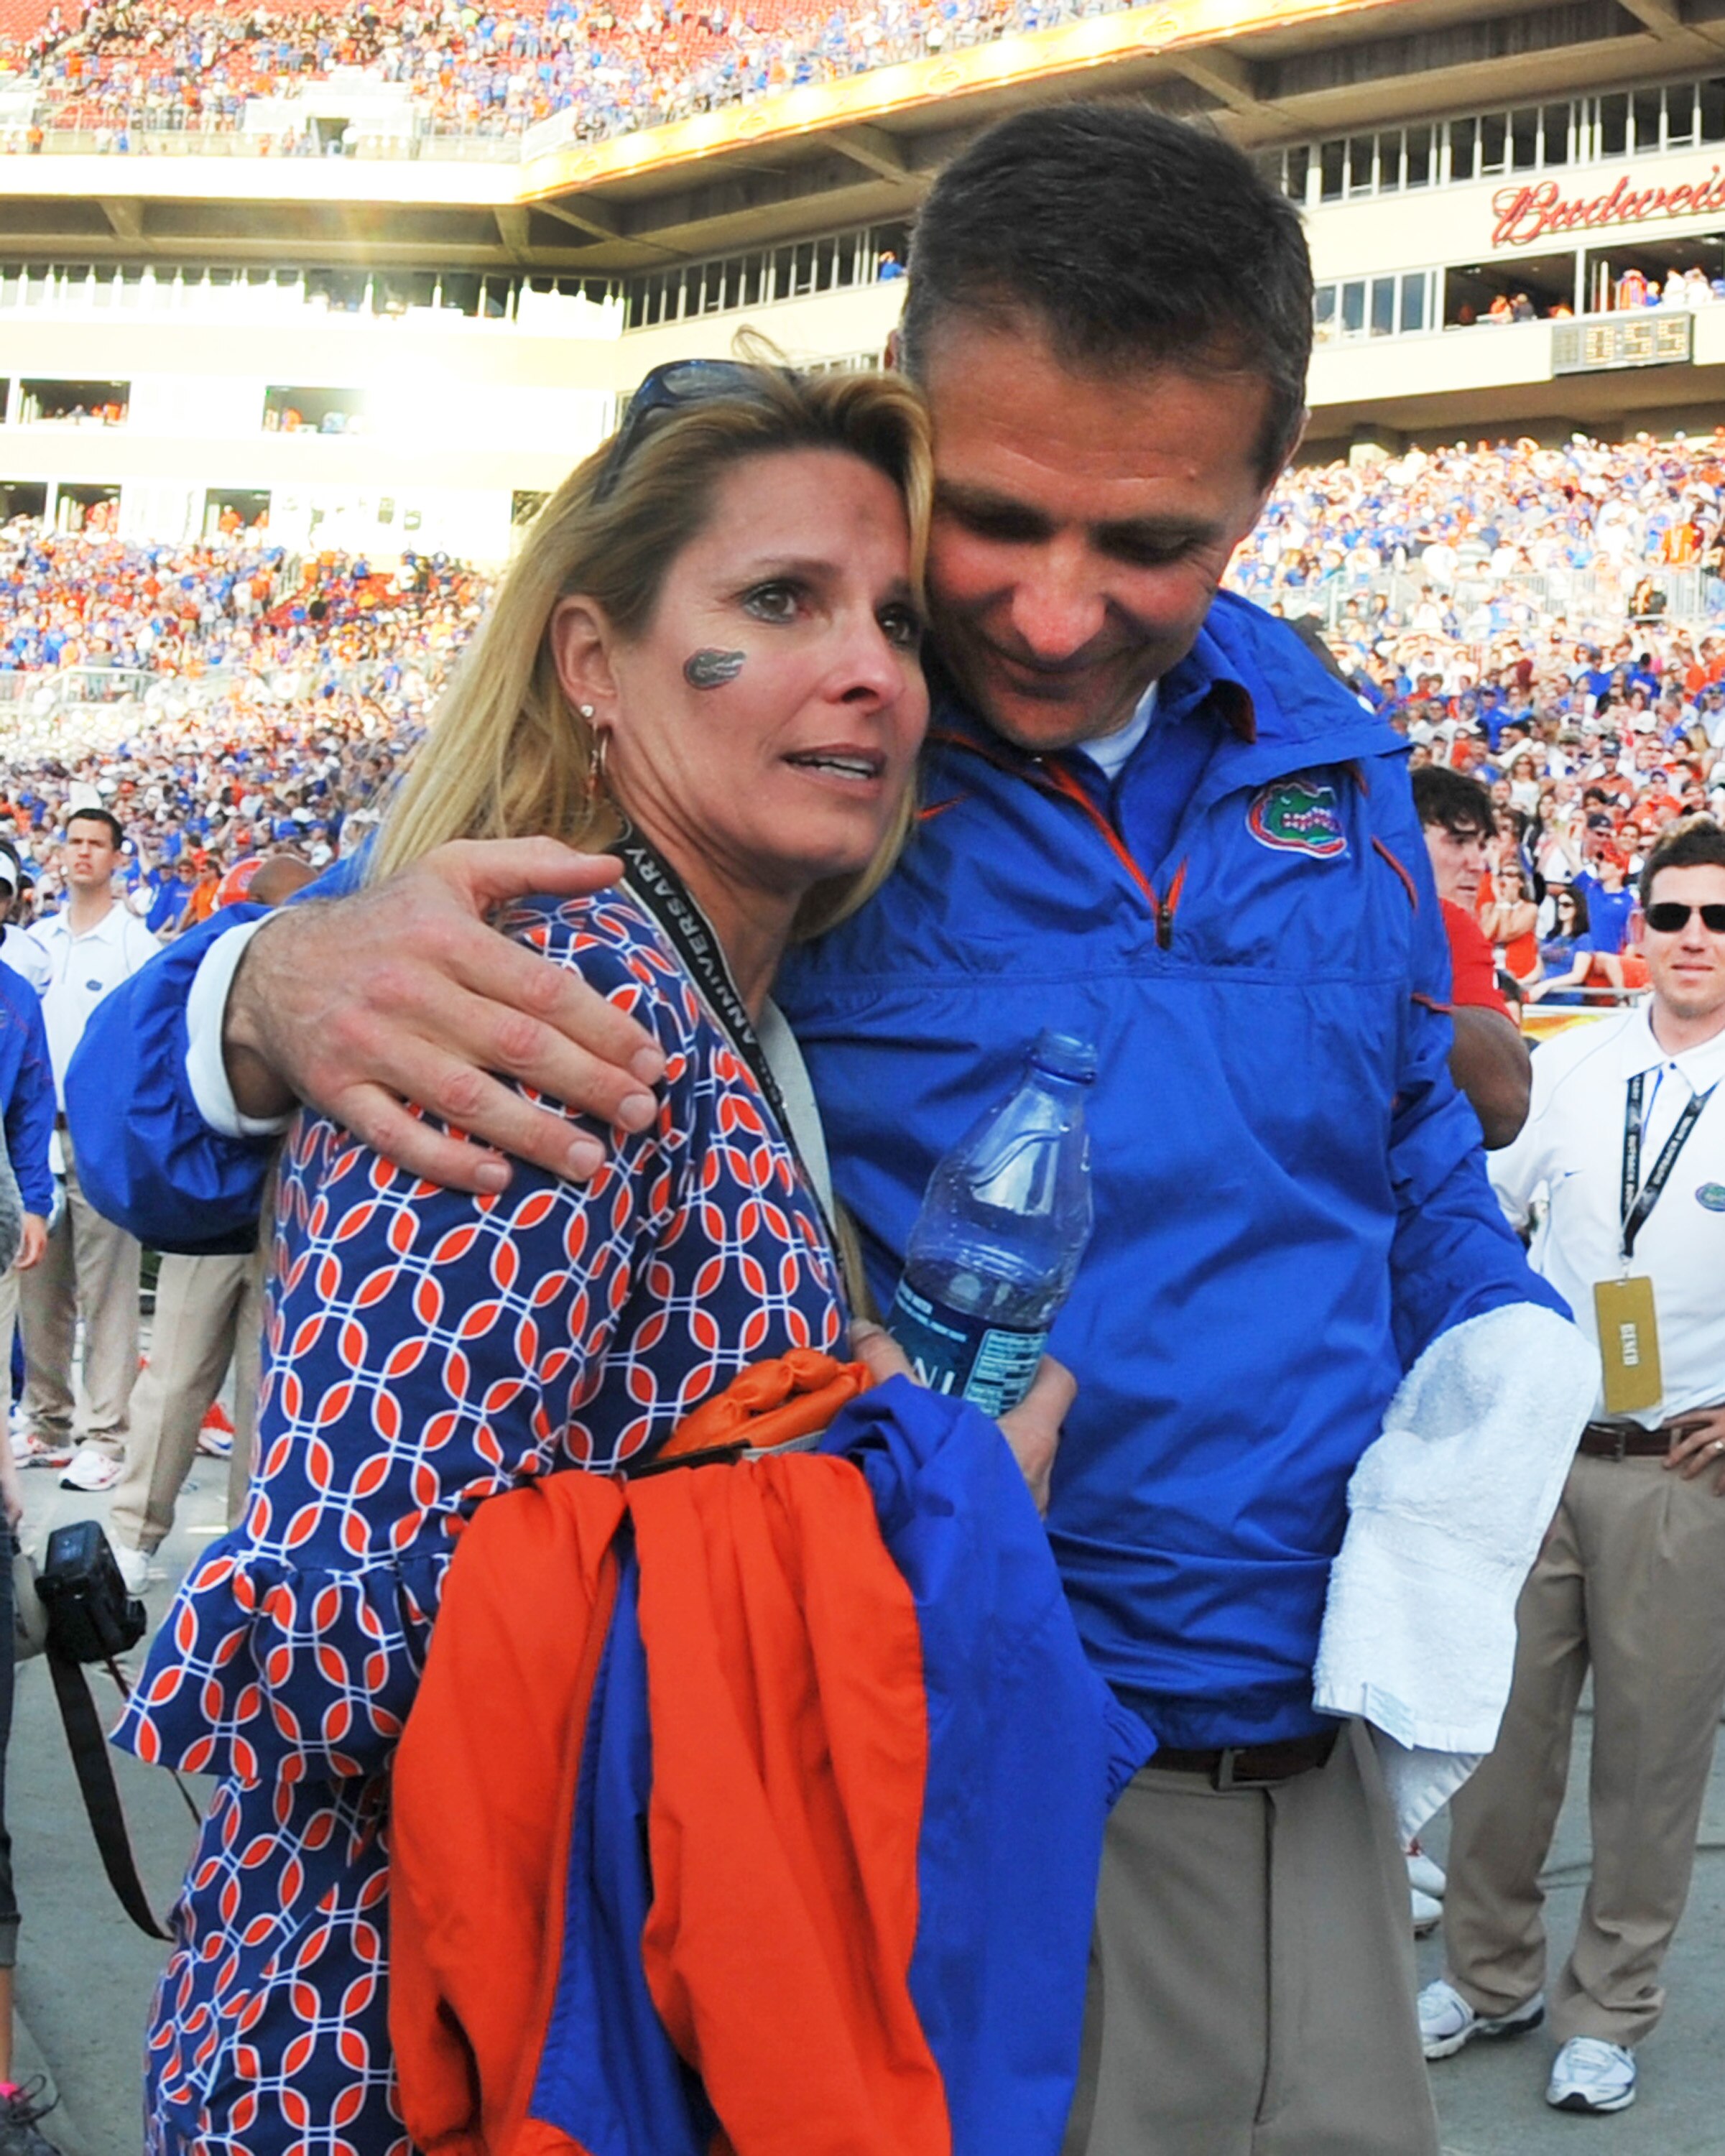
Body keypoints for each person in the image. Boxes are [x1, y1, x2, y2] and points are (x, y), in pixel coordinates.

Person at [78, 108, 1575, 2156]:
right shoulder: (780, 740)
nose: (1049, 618)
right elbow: (211, 1135)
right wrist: (252, 992)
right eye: (1007, 523)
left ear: (1262, 491)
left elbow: (1399, 1127)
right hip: (935, 1789)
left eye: (1151, 542)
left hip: (1318, 1763)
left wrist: (1495, 1295)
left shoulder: (1319, 739)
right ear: (922, 417)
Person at [113, 362, 1071, 2155]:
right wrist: (922, 1500)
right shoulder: (553, 999)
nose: (870, 664)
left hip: (570, 2023)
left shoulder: (701, 994)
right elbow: (338, 1646)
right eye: (777, 601)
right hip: (398, 2053)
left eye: (892, 618)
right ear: (590, 664)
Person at [1420, 816, 1725, 2119]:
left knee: (1651, 1761)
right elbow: (1480, 1209)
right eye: (1672, 917)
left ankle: (1610, 2005)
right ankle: (1491, 1977)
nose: (1695, 941)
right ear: (1637, 928)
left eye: (1719, 920)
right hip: (1544, 1450)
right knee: (1500, 1740)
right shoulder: (1575, 1064)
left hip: (1683, 1473)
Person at [16, 808, 157, 1490]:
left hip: (102, 1131)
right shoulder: (36, 944)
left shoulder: (136, 946)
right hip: (38, 1131)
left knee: (108, 1289)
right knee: (40, 1284)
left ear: (117, 857)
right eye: (73, 842)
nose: (82, 854)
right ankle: (46, 1420)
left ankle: (107, 1432)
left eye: (96, 844)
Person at [1412, 765, 1532, 1147]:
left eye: (1481, 845)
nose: (1477, 863)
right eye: (1458, 841)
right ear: (1402, 839)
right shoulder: (1442, 924)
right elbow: (1505, 1107)